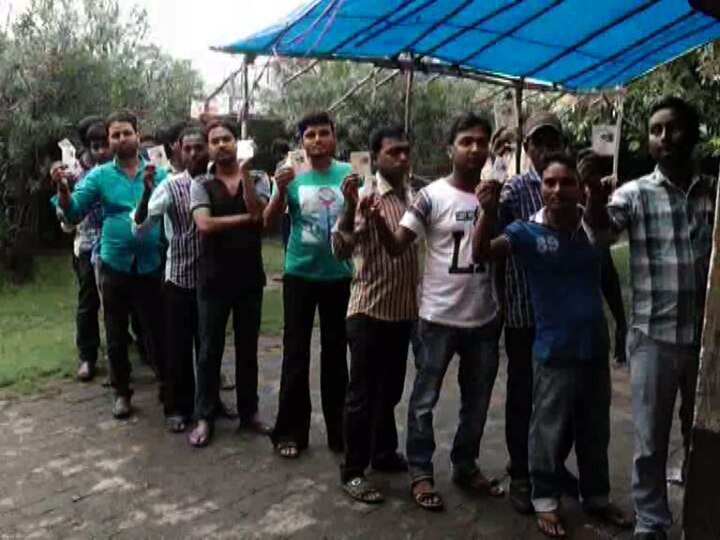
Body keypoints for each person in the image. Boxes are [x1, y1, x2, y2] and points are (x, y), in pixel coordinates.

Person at [473, 152, 633, 538]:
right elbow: (480, 253)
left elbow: (607, 266)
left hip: (593, 350)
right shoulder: (526, 233)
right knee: (546, 430)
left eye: (567, 182)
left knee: (595, 430)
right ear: (540, 188)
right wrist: (486, 212)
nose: (558, 190)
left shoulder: (592, 229)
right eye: (550, 183)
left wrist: (622, 323)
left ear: (578, 187)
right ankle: (545, 499)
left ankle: (596, 497)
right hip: (553, 352)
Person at [584, 96, 715, 540]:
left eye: (673, 128)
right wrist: (592, 199)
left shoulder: (712, 193)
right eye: (656, 130)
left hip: (706, 339)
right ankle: (652, 521)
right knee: (649, 438)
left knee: (703, 435)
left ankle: (702, 512)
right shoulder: (634, 193)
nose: (664, 138)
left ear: (693, 133)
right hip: (653, 336)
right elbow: (600, 236)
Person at [372, 113, 502, 511]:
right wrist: (376, 219)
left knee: (477, 401)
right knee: (424, 399)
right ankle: (421, 471)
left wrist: (493, 208)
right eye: (466, 141)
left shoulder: (499, 194)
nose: (475, 149)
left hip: (483, 317)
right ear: (451, 149)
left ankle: (465, 464)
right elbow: (397, 246)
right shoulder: (430, 197)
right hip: (436, 318)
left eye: (482, 142)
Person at [53, 110, 169, 419]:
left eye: (126, 133)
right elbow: (74, 211)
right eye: (114, 135)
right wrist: (63, 191)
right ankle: (121, 392)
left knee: (157, 329)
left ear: (137, 134)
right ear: (109, 140)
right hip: (113, 265)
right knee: (116, 333)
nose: (120, 139)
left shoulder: (159, 173)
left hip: (151, 264)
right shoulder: (99, 176)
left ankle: (168, 387)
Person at [332, 126, 418, 504]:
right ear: (376, 157)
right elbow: (340, 249)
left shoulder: (414, 195)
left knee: (391, 388)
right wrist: (350, 207)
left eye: (405, 151)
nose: (402, 158)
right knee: (362, 394)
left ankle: (383, 453)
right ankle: (353, 470)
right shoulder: (365, 196)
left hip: (402, 312)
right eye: (393, 152)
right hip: (368, 310)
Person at [264, 111, 352, 459]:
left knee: (335, 356)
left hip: (339, 275)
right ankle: (290, 431)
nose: (317, 140)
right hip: (299, 274)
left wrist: (357, 199)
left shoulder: (349, 174)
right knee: (296, 354)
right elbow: (268, 224)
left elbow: (360, 220)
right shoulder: (292, 176)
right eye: (310, 135)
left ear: (334, 137)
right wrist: (280, 189)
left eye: (323, 133)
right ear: (302, 142)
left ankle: (340, 432)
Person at [188, 120, 272, 447]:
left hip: (249, 277)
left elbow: (260, 214)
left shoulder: (259, 178)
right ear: (208, 148)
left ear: (237, 143)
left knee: (248, 348)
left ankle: (249, 413)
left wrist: (247, 177)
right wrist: (247, 221)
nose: (221, 145)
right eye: (215, 141)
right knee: (209, 349)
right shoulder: (201, 184)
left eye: (227, 139)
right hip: (212, 278)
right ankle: (205, 416)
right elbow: (205, 224)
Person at [132, 125, 210, 433]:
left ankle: (208, 404)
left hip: (213, 283)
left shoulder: (218, 182)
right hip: (179, 279)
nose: (193, 153)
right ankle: (177, 406)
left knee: (208, 349)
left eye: (199, 147)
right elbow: (141, 226)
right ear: (178, 149)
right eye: (187, 148)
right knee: (177, 348)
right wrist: (147, 193)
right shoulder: (171, 186)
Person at [52, 120, 112, 382]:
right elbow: (67, 218)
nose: (100, 151)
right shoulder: (77, 174)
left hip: (116, 246)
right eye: (95, 146)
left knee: (121, 302)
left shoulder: (121, 170)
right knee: (89, 301)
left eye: (104, 145)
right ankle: (87, 356)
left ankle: (130, 351)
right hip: (88, 246)